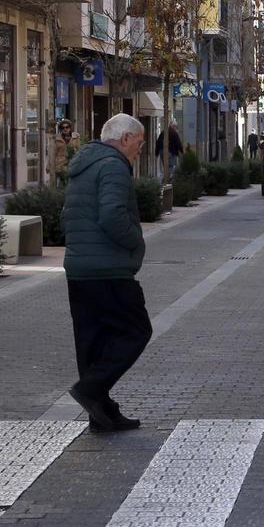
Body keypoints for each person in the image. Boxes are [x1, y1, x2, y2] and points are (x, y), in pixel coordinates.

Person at [63, 114, 151, 432]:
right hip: (108, 268)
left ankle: (101, 414)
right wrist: (135, 241)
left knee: (93, 342)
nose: (139, 151)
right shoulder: (113, 165)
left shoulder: (84, 164)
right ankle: (90, 391)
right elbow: (112, 214)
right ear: (126, 138)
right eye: (139, 144)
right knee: (136, 331)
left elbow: (69, 213)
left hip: (79, 268)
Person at [52, 119, 75, 187]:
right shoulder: (57, 139)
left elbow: (79, 150)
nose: (65, 129)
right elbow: (53, 153)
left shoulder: (75, 138)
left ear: (70, 128)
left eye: (67, 127)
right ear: (60, 129)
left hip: (72, 164)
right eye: (63, 128)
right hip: (60, 165)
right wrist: (49, 165)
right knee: (62, 185)